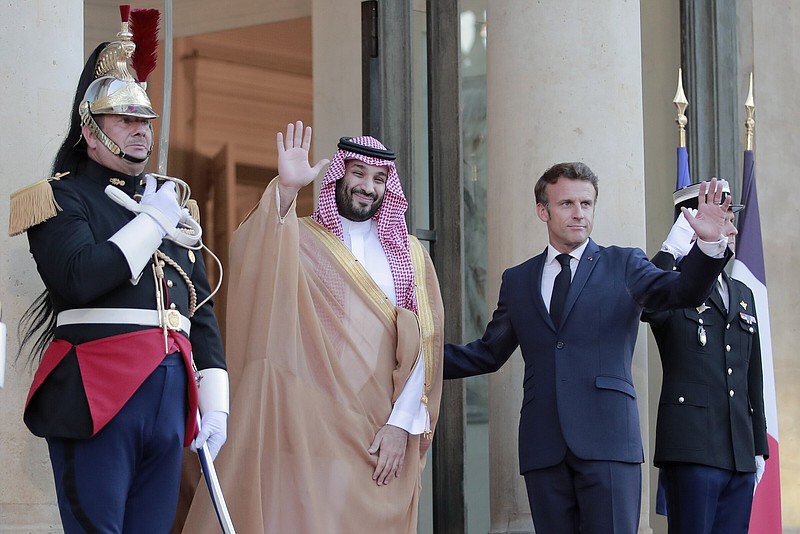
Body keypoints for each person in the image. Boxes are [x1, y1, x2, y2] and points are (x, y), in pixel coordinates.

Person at [9, 10, 228, 533]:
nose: (139, 130)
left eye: (145, 121)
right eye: (125, 119)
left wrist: (215, 398)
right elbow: (80, 276)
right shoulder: (60, 197)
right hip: (98, 389)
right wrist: (152, 221)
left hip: (171, 395)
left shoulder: (171, 204)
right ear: (90, 128)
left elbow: (198, 306)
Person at [182, 122, 444, 533]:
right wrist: (285, 192)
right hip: (309, 421)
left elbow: (424, 347)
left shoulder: (410, 255)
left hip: (379, 427)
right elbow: (255, 253)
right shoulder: (300, 238)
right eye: (357, 173)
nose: (367, 187)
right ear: (339, 174)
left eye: (378, 179)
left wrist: (401, 424)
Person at [444, 162, 733, 534]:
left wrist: (709, 246)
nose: (579, 213)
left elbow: (682, 291)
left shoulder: (625, 263)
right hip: (544, 446)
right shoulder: (518, 280)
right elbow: (487, 352)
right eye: (566, 204)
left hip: (609, 444)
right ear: (542, 211)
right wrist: (418, 360)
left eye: (586, 203)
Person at [643, 181, 768, 533]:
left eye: (729, 218)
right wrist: (672, 249)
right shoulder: (671, 283)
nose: (732, 229)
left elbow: (751, 376)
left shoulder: (741, 292)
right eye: (723, 217)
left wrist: (757, 446)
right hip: (692, 449)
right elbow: (647, 306)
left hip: (738, 451)